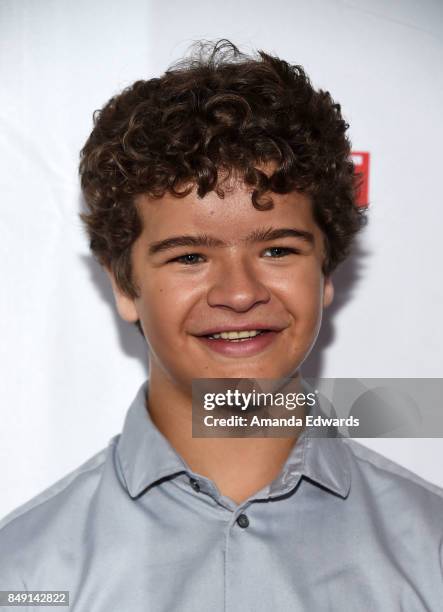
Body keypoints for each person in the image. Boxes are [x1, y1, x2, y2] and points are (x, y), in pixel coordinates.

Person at [1, 39, 442, 611]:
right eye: (189, 257)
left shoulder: (429, 552)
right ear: (122, 285)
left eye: (278, 250)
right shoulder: (25, 571)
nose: (239, 293)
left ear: (326, 272)